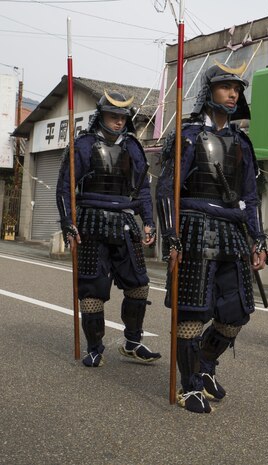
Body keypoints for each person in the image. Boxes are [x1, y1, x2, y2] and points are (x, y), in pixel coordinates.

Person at [156, 63, 268, 414]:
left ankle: (204, 365)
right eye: (226, 87)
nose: (233, 93)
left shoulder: (242, 143)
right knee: (192, 313)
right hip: (194, 228)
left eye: (237, 88)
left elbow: (251, 196)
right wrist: (171, 236)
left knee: (235, 314)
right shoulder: (187, 136)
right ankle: (189, 387)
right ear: (210, 92)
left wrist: (258, 240)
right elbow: (165, 190)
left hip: (232, 233)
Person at [56, 90, 160, 368]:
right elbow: (65, 188)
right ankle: (94, 347)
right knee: (92, 291)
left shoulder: (134, 148)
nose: (118, 121)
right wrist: (68, 222)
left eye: (123, 117)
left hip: (125, 223)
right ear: (101, 115)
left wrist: (148, 221)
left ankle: (133, 342)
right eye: (113, 115)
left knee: (139, 286)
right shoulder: (83, 145)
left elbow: (142, 191)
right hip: (90, 222)